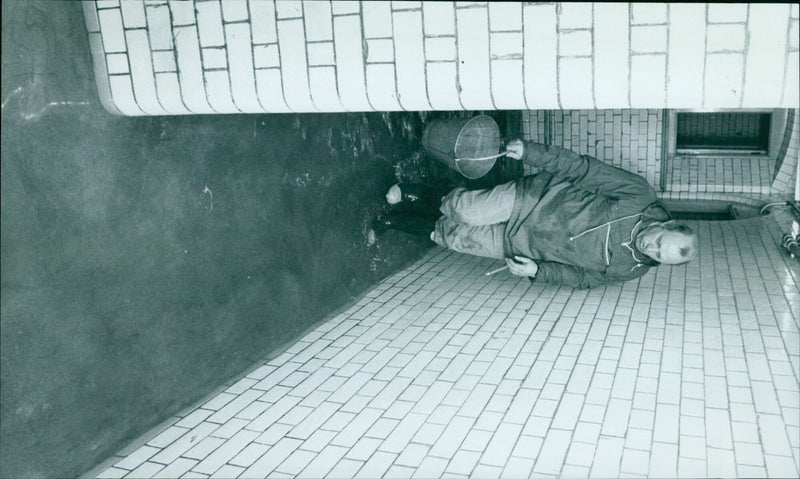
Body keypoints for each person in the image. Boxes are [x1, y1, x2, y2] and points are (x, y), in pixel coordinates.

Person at [370, 139, 698, 289]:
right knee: (465, 210)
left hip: (525, 246)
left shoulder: (631, 270)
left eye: (658, 255)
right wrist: (531, 153)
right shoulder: (639, 196)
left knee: (455, 238)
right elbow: (583, 170)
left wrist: (537, 271)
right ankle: (414, 191)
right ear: (667, 224)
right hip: (533, 200)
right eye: (658, 240)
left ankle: (393, 220)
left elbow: (583, 278)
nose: (650, 248)